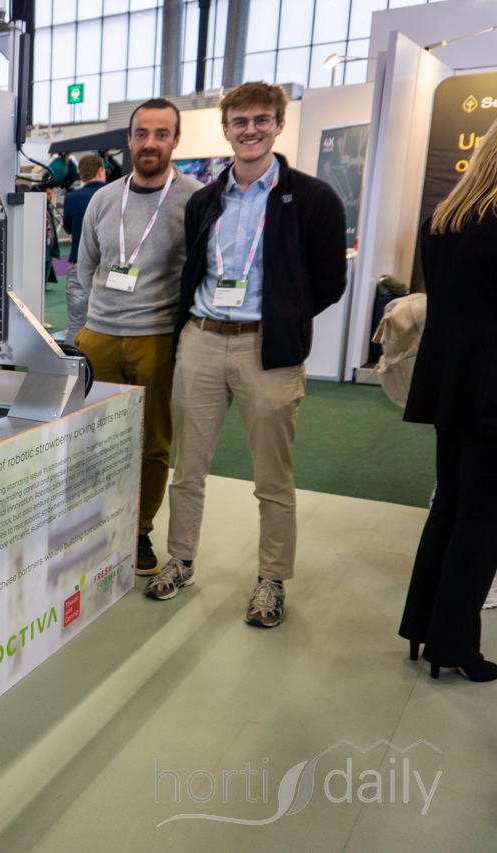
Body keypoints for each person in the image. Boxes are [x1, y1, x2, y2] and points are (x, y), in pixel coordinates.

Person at [146, 82, 347, 627]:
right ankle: (181, 560)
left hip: (268, 349)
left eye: (262, 120)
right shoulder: (206, 200)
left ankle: (271, 580)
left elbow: (329, 282)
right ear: (226, 129)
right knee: (188, 467)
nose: (251, 130)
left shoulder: (313, 199)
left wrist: (282, 316)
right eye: (240, 121)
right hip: (202, 339)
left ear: (279, 124)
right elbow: (195, 269)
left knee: (272, 477)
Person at [70, 100, 203, 574]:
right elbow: (84, 267)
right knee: (90, 440)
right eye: (141, 133)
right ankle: (92, 525)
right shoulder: (104, 199)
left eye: (161, 134)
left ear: (176, 140)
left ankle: (138, 530)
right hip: (99, 337)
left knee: (151, 443)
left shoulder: (194, 199)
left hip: (157, 340)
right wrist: (85, 330)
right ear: (128, 140)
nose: (150, 143)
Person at [398, 118, 497, 682]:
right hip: (490, 394)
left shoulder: (441, 221)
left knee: (451, 510)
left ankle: (424, 629)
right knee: (481, 524)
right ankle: (456, 646)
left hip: (451, 386)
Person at [63, 154, 107, 331]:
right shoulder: (116, 194)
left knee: (75, 325)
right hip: (110, 265)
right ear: (100, 171)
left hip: (79, 263)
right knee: (110, 324)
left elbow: (68, 227)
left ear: (80, 175)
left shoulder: (71, 197)